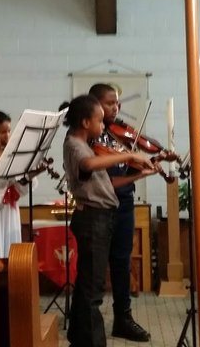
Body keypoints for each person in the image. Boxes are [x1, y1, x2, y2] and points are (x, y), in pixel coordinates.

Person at [61, 94, 154, 347]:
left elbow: (108, 184)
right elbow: (89, 164)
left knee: (87, 285)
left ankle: (78, 339)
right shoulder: (75, 145)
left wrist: (137, 175)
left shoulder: (87, 145)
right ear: (84, 122)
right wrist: (127, 157)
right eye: (100, 121)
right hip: (92, 219)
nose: (103, 127)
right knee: (93, 290)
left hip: (100, 217)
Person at [88, 83, 160, 341]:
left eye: (117, 103)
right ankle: (85, 322)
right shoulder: (89, 137)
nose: (115, 108)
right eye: (109, 103)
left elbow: (125, 173)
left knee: (122, 262)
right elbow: (105, 178)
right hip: (101, 206)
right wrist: (136, 167)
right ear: (94, 104)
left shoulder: (119, 135)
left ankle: (123, 318)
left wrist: (145, 165)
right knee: (94, 268)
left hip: (124, 203)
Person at [0, 108, 41, 258]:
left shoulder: (12, 155)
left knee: (9, 249)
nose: (7, 136)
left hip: (9, 208)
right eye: (2, 132)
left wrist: (28, 176)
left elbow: (21, 189)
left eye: (8, 131)